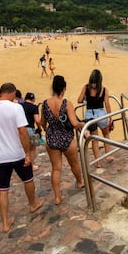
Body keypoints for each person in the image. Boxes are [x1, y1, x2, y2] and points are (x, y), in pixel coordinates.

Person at [0, 83, 44, 232]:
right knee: (28, 179)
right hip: (16, 153)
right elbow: (22, 132)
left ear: (0, 93)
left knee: (3, 188)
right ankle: (33, 204)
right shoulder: (16, 108)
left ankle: (5, 222)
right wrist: (26, 153)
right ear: (12, 93)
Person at [41, 76, 85, 205]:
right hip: (67, 137)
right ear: (63, 88)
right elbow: (74, 122)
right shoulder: (66, 103)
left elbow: (43, 124)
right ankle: (80, 182)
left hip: (52, 137)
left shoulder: (45, 104)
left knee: (56, 168)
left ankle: (57, 196)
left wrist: (49, 128)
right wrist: (82, 124)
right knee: (74, 164)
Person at [77, 69, 113, 167]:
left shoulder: (86, 87)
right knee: (106, 134)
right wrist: (110, 117)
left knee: (94, 139)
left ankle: (98, 162)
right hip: (101, 114)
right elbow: (107, 104)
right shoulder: (104, 89)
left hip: (89, 115)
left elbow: (79, 100)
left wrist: (86, 99)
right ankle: (108, 155)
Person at [21, 92, 42, 171]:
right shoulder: (34, 107)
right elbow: (37, 120)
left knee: (23, 148)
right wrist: (40, 128)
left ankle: (24, 164)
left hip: (21, 129)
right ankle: (31, 165)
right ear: (33, 99)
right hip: (31, 129)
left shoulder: (20, 106)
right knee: (33, 148)